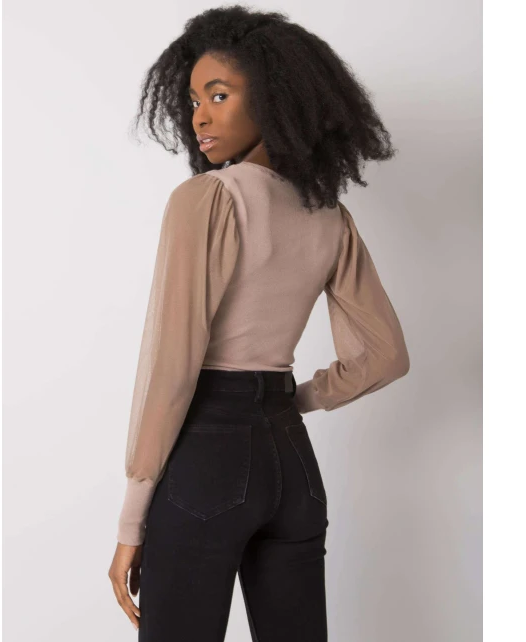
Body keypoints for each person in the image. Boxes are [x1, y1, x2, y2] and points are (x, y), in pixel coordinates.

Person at [108, 6, 410, 640]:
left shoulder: (207, 198)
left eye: (220, 95)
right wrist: (292, 401)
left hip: (206, 460)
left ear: (273, 97)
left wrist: (132, 520)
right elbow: (385, 355)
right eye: (195, 100)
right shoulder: (329, 216)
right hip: (292, 466)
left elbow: (171, 370)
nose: (200, 116)